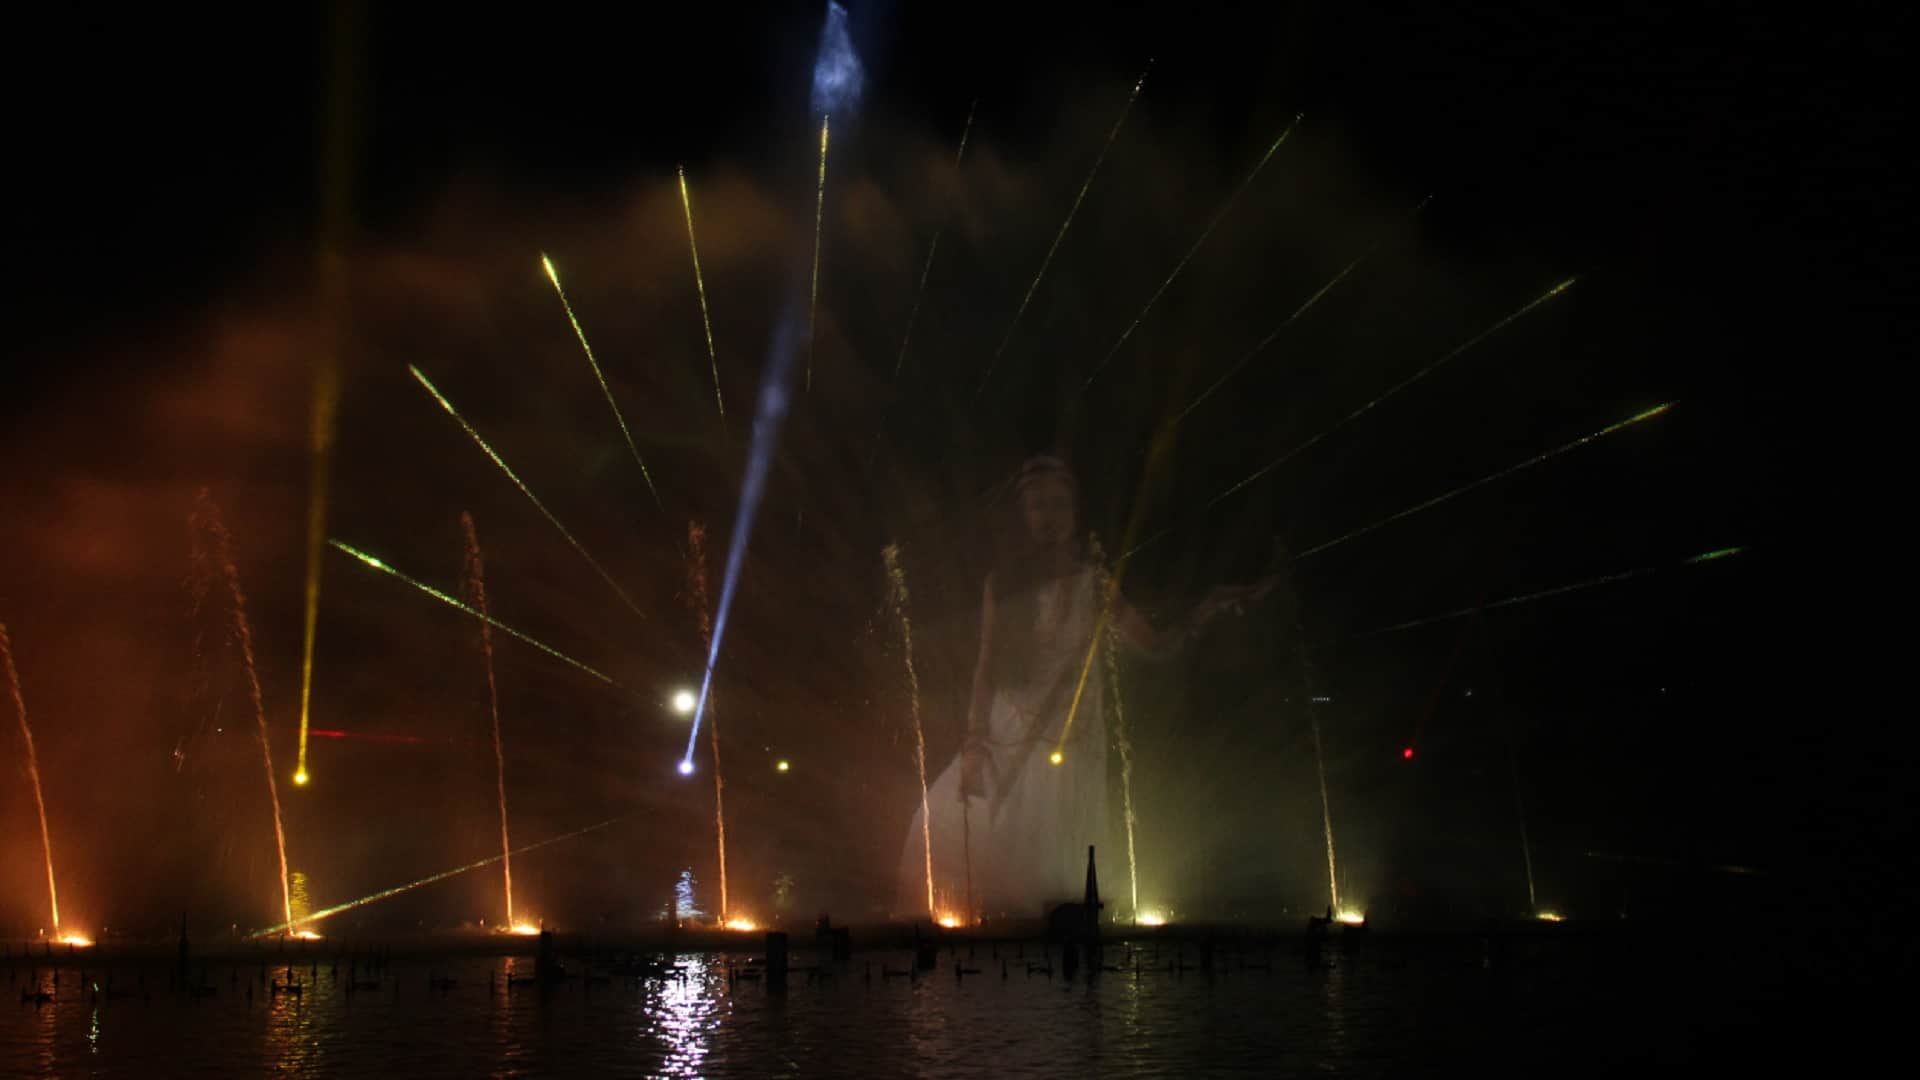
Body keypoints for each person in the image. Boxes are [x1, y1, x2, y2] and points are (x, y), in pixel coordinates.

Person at [896, 454, 1277, 920]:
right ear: (1023, 516)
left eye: (1058, 505)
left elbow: (1153, 645)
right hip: (1009, 725)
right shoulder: (1004, 581)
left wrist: (1207, 609)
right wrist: (975, 741)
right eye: (1038, 507)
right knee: (945, 822)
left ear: (1075, 513)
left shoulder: (1094, 580)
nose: (1048, 518)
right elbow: (986, 665)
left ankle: (1061, 967)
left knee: (1057, 849)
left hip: (1072, 735)